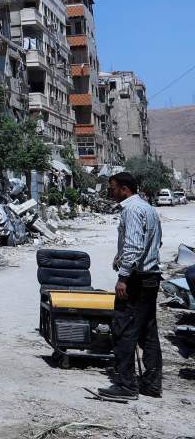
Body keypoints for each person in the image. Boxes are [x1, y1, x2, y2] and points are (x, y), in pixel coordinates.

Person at [98, 171, 163, 401]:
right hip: (151, 277)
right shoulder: (147, 208)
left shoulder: (133, 210)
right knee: (147, 331)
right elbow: (155, 242)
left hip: (137, 279)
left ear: (125, 189)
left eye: (113, 188)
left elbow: (134, 246)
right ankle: (152, 384)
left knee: (123, 328)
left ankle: (126, 385)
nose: (110, 192)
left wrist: (123, 276)